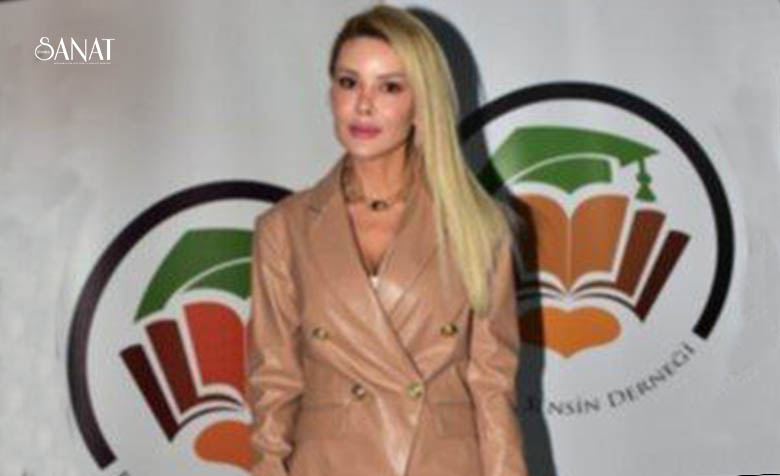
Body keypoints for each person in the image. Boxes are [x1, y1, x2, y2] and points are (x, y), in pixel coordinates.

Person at [246, 5, 527, 476]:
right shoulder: (284, 229)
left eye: (390, 87)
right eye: (349, 82)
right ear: (331, 92)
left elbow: (493, 387)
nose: (363, 104)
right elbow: (273, 388)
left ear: (422, 103)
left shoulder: (478, 225)